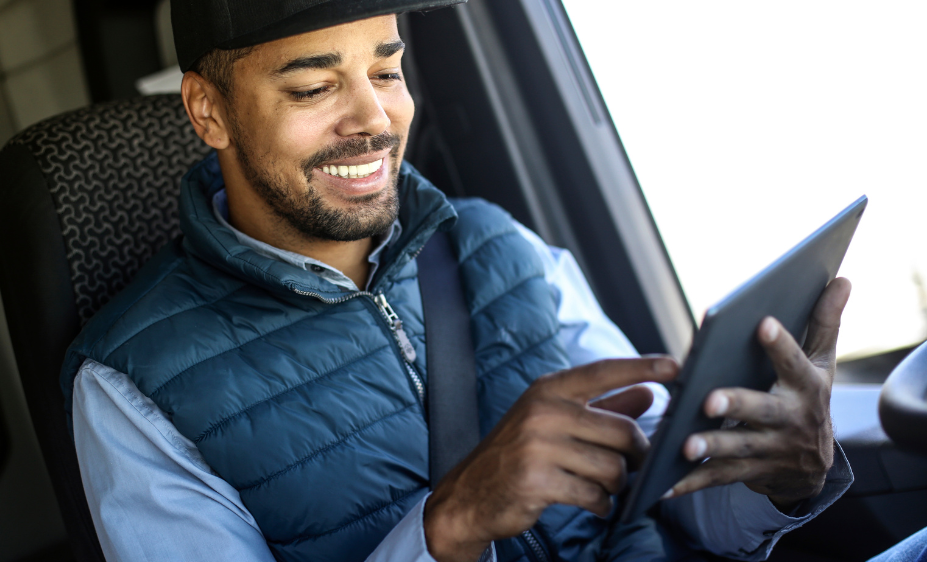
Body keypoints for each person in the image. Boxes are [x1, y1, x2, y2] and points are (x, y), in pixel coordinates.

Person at [60, 1, 854, 561]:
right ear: (208, 111)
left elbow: (661, 502)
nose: (373, 118)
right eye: (313, 87)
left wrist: (772, 480)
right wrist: (449, 528)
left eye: (388, 69)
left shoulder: (496, 242)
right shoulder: (132, 388)